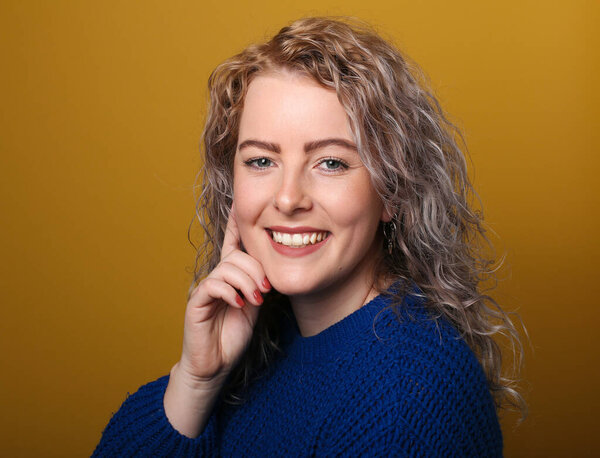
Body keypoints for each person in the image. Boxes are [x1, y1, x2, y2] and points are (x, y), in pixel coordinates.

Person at [93, 17, 524, 457]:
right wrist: (195, 381)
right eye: (261, 161)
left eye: (331, 163)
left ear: (392, 190)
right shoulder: (265, 337)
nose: (287, 198)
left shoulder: (404, 400)